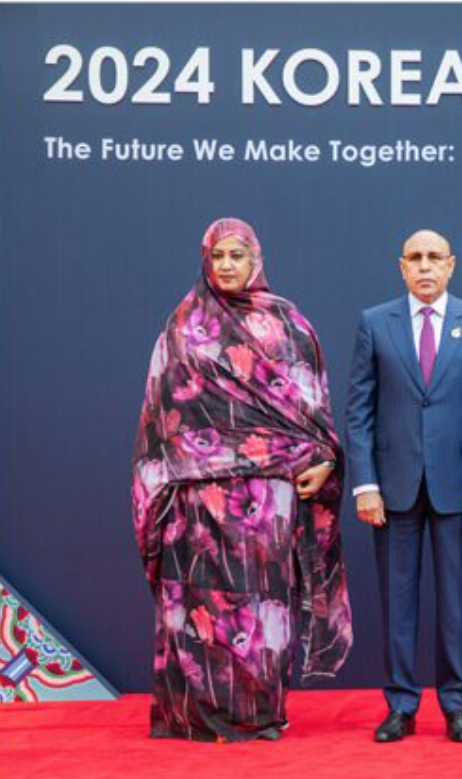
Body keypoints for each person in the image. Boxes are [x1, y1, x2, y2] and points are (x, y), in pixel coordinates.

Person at [132, 218, 352, 743]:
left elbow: (314, 410)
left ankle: (258, 715)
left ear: (256, 260)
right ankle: (194, 717)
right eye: (218, 256)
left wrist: (323, 460)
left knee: (259, 607)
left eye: (237, 255)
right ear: (205, 261)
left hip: (266, 497)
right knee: (199, 607)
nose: (227, 265)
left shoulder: (288, 325)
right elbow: (163, 415)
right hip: (197, 494)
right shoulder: (182, 324)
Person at [345, 230, 462, 744]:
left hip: (459, 489)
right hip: (392, 488)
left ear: (452, 265)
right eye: (415, 258)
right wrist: (364, 484)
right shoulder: (375, 323)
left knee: (456, 604)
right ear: (401, 267)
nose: (425, 266)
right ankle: (401, 705)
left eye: (434, 258)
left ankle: (457, 706)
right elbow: (358, 413)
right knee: (398, 602)